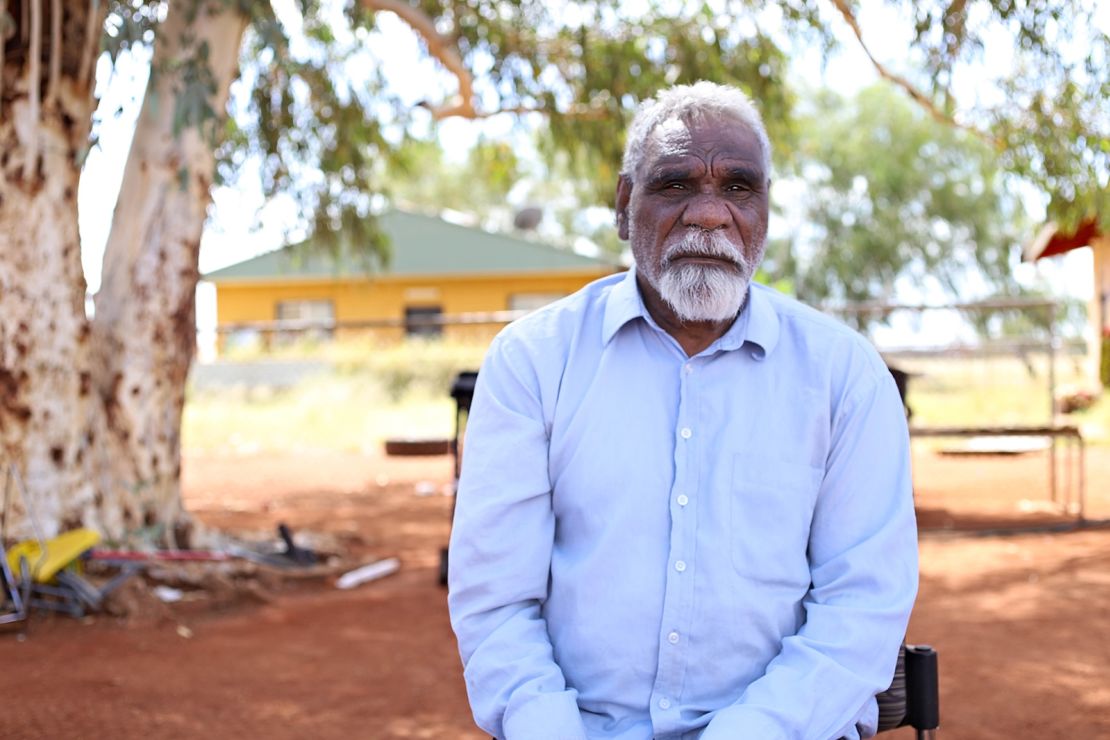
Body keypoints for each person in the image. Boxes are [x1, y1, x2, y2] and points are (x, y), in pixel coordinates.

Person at [447, 81, 918, 740]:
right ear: (622, 205)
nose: (708, 214)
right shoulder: (534, 362)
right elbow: (496, 600)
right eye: (674, 186)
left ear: (765, 212)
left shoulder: (844, 376)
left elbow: (862, 603)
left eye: (738, 188)